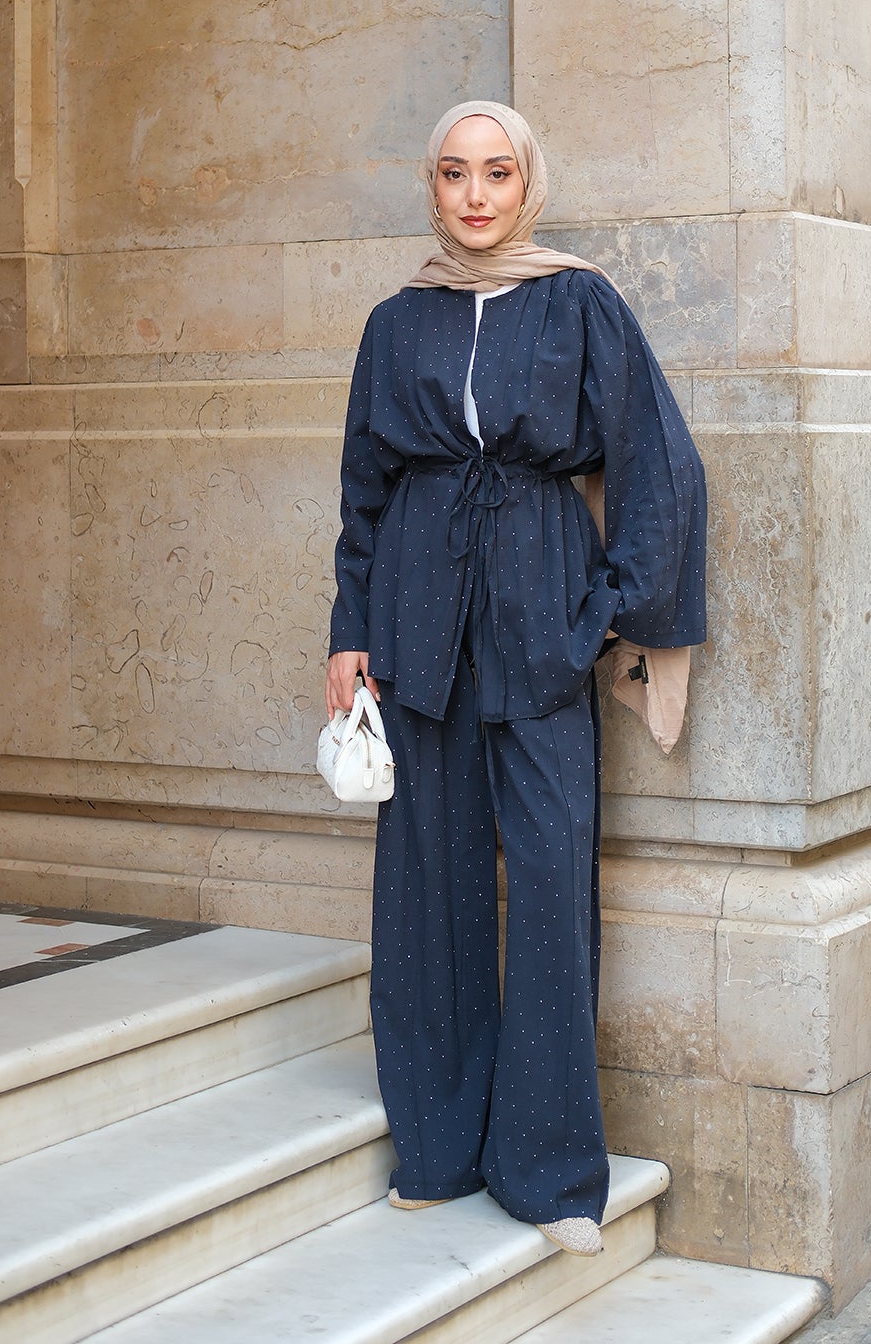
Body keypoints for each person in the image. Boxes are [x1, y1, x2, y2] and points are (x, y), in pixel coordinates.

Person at [325, 101, 706, 1258]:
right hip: (416, 627)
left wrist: (608, 607)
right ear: (432, 185)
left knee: (546, 885)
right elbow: (363, 495)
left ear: (527, 182)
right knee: (426, 889)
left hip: (542, 621)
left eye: (496, 173)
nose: (476, 196)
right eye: (455, 174)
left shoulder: (579, 301)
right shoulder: (397, 322)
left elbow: (660, 463)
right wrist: (349, 631)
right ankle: (437, 1148)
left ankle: (550, 1175)